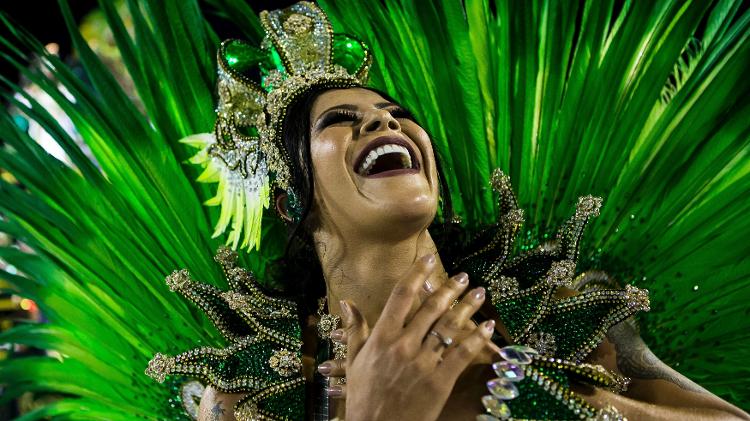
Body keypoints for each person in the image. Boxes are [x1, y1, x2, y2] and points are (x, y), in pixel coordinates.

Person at [143, 4, 750, 419]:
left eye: (393, 112)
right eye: (339, 122)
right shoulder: (255, 395)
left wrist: (503, 389)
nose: (384, 120)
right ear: (289, 200)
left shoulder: (555, 308)